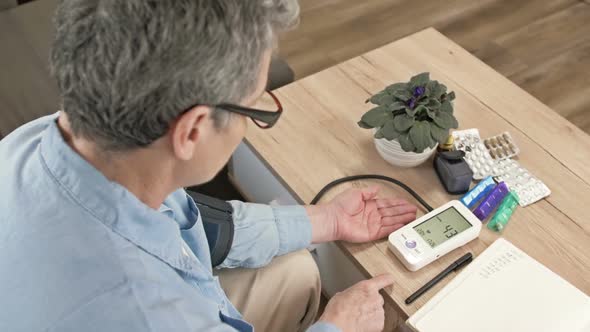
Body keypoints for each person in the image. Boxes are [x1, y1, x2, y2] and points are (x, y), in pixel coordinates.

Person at [0, 1, 418, 331]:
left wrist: (326, 220)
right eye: (254, 104)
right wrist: (338, 327)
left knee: (295, 270)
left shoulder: (57, 139)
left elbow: (192, 224)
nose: (253, 121)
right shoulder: (144, 312)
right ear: (192, 130)